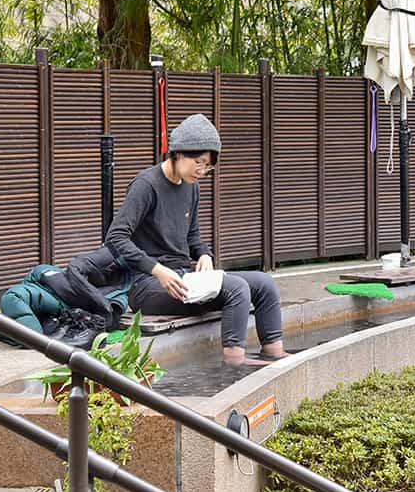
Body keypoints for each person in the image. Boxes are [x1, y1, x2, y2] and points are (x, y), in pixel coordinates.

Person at [105, 113, 288, 365]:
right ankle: (235, 361)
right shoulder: (146, 185)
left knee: (263, 283)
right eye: (199, 163)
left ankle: (274, 353)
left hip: (183, 278)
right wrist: (157, 270)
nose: (202, 171)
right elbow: (115, 237)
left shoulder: (191, 187)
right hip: (147, 287)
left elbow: (192, 237)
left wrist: (204, 254)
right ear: (178, 153)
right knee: (236, 288)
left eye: (208, 166)